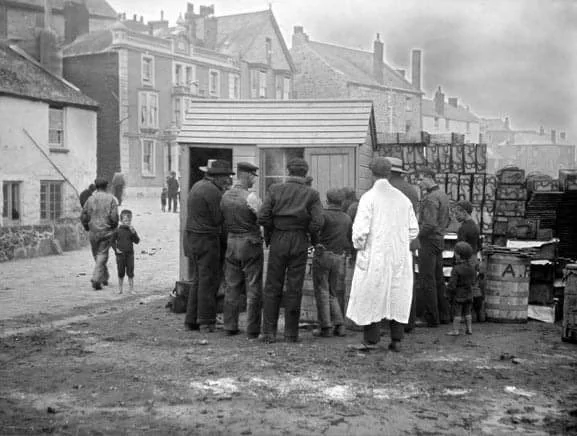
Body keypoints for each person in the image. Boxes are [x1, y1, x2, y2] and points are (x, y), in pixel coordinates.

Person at [346, 157, 419, 353]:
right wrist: (400, 242)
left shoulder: (369, 198)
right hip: (399, 256)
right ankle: (397, 340)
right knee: (396, 295)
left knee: (372, 294)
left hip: (375, 255)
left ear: (372, 173)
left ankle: (371, 340)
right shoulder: (402, 199)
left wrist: (360, 247)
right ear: (389, 173)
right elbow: (413, 230)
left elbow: (360, 231)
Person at [258, 158, 323, 343]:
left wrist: (276, 228)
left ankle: (269, 332)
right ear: (305, 173)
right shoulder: (312, 194)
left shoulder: (275, 189)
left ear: (288, 171)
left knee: (272, 286)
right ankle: (290, 334)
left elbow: (263, 216)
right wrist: (307, 233)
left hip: (279, 238)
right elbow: (318, 222)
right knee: (295, 287)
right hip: (299, 240)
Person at [184, 160, 234, 333]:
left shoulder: (197, 186)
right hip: (207, 239)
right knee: (209, 280)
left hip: (193, 239)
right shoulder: (213, 192)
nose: (227, 180)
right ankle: (206, 321)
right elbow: (218, 219)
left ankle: (191, 320)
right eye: (226, 177)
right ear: (217, 177)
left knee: (198, 279)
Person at [220, 162, 263, 339]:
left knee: (232, 286)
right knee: (253, 287)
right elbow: (263, 218)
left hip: (231, 242)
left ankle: (230, 325)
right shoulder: (251, 198)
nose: (254, 180)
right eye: (253, 176)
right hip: (249, 243)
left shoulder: (224, 196)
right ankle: (252, 329)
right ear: (247, 176)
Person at [385, 157, 420, 333]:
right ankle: (408, 321)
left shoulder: (387, 189)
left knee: (386, 281)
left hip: (390, 242)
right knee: (407, 282)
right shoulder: (411, 190)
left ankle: (386, 322)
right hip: (409, 241)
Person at [312, 188, 352, 338]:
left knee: (322, 291)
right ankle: (340, 325)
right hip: (338, 257)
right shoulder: (346, 218)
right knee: (332, 292)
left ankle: (326, 327)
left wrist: (315, 243)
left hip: (323, 254)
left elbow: (314, 228)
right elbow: (349, 239)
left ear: (327, 200)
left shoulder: (323, 215)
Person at [416, 166, 451, 327]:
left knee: (427, 279)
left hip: (428, 241)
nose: (419, 183)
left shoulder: (430, 198)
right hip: (439, 240)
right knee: (438, 278)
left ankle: (431, 318)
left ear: (429, 178)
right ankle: (444, 315)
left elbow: (429, 224)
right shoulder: (443, 195)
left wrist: (415, 236)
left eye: (421, 179)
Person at [81, 178, 119, 290]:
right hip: (106, 231)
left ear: (96, 186)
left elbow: (84, 215)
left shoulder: (90, 199)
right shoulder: (111, 199)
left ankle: (104, 277)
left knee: (97, 255)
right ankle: (97, 279)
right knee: (102, 255)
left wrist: (86, 226)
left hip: (93, 232)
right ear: (106, 186)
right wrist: (113, 226)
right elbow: (114, 217)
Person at [454, 200, 483, 321]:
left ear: (464, 212)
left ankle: (460, 316)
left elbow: (460, 247)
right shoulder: (475, 226)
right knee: (474, 287)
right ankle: (479, 315)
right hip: (474, 258)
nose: (455, 216)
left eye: (457, 213)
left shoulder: (463, 228)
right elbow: (479, 245)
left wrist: (457, 262)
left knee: (463, 289)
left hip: (465, 260)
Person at [446, 241, 476, 336]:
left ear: (458, 255)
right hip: (469, 293)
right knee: (468, 312)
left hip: (459, 295)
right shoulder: (472, 268)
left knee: (457, 313)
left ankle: (455, 330)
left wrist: (448, 292)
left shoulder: (456, 269)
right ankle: (469, 329)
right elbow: (474, 281)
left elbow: (452, 284)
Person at [112, 209, 140, 294]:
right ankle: (120, 289)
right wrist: (116, 249)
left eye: (128, 220)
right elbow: (112, 241)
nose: (127, 222)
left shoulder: (131, 230)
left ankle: (131, 289)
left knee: (130, 271)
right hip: (120, 255)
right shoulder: (117, 230)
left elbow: (137, 241)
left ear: (130, 220)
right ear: (121, 220)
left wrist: (134, 232)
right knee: (120, 272)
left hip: (130, 254)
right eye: (125, 220)